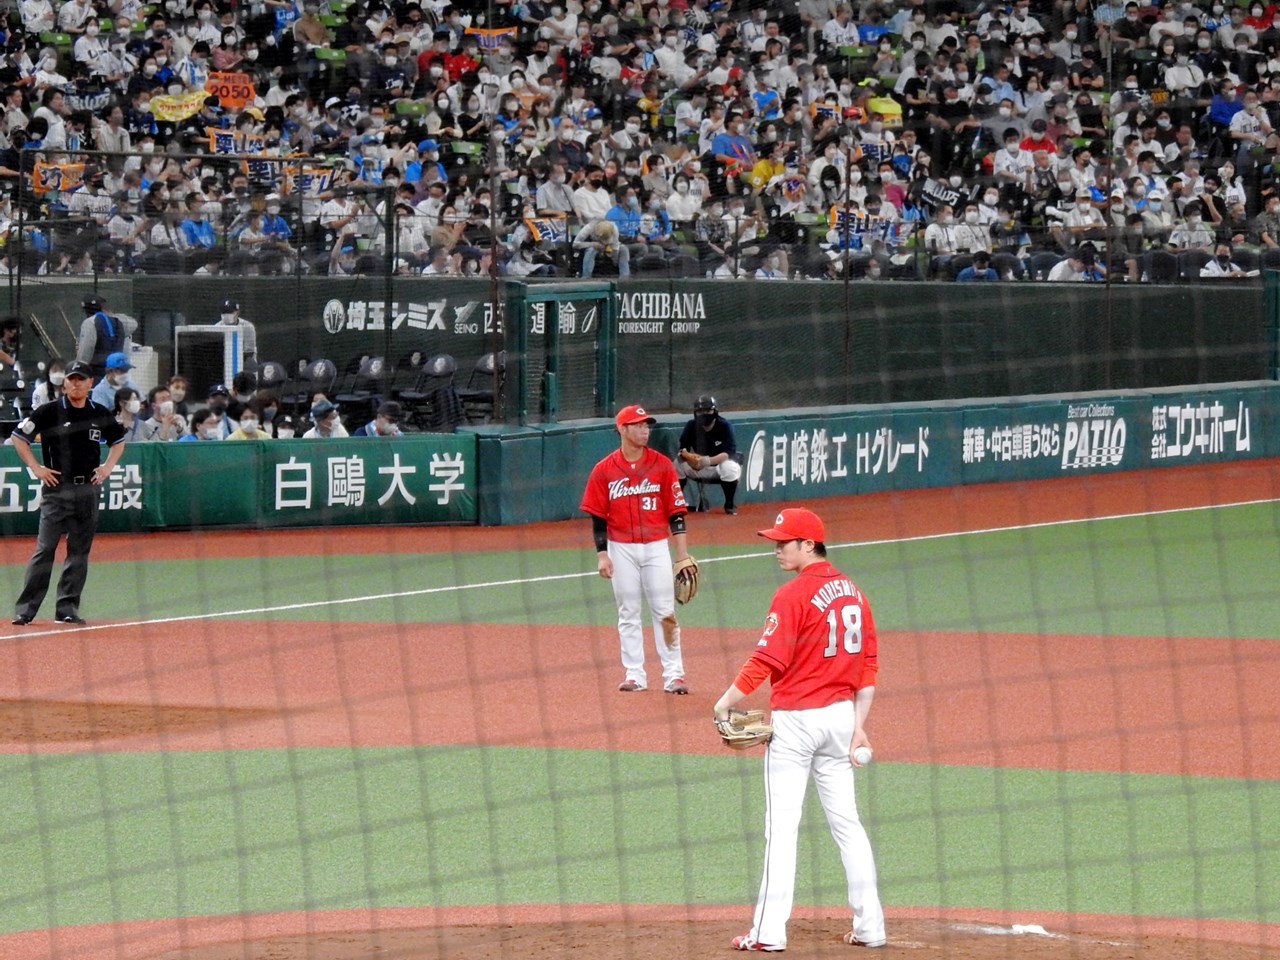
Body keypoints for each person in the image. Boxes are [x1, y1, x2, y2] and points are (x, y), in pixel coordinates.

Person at [713, 507, 885, 952]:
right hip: (841, 720)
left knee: (781, 830)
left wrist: (724, 702)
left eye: (784, 542)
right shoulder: (854, 593)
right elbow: (867, 667)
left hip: (796, 723)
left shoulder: (792, 594)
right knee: (848, 825)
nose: (776, 549)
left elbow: (765, 661)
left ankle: (768, 933)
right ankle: (871, 927)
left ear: (809, 544)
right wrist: (860, 727)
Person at [579, 404, 691, 695]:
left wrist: (682, 555)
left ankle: (674, 674)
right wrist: (602, 554)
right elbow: (598, 517)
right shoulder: (604, 470)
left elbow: (676, 513)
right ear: (622, 429)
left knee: (665, 612)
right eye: (639, 425)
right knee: (627, 611)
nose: (645, 430)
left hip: (656, 547)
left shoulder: (662, 465)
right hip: (620, 549)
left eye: (646, 425)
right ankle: (634, 675)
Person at [10, 360, 127, 626]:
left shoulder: (99, 412)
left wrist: (108, 467)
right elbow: (19, 437)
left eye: (81, 379)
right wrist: (35, 467)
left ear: (90, 383)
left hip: (88, 488)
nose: (75, 383)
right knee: (45, 549)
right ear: (64, 382)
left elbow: (118, 442)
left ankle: (66, 608)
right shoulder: (49, 411)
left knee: (79, 551)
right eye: (71, 378)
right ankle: (26, 609)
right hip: (56, 489)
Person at [674, 395, 740, 515]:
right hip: (699, 467)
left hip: (719, 468)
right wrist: (690, 458)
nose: (704, 414)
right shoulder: (691, 425)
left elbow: (728, 453)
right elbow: (683, 450)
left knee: (729, 467)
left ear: (715, 411)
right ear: (695, 413)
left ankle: (729, 504)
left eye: (708, 411)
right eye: (700, 411)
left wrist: (708, 461)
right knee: (677, 464)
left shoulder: (725, 426)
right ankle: (677, 503)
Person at [75, 294, 137, 380]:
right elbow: (134, 324)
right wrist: (110, 316)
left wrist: (79, 369)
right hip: (118, 370)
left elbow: (86, 349)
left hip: (97, 372)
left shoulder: (90, 322)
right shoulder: (118, 322)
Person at [214, 297, 258, 365]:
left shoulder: (247, 327)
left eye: (230, 312)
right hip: (222, 363)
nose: (227, 315)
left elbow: (249, 352)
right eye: (224, 312)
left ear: (237, 312)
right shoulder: (217, 328)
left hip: (245, 364)